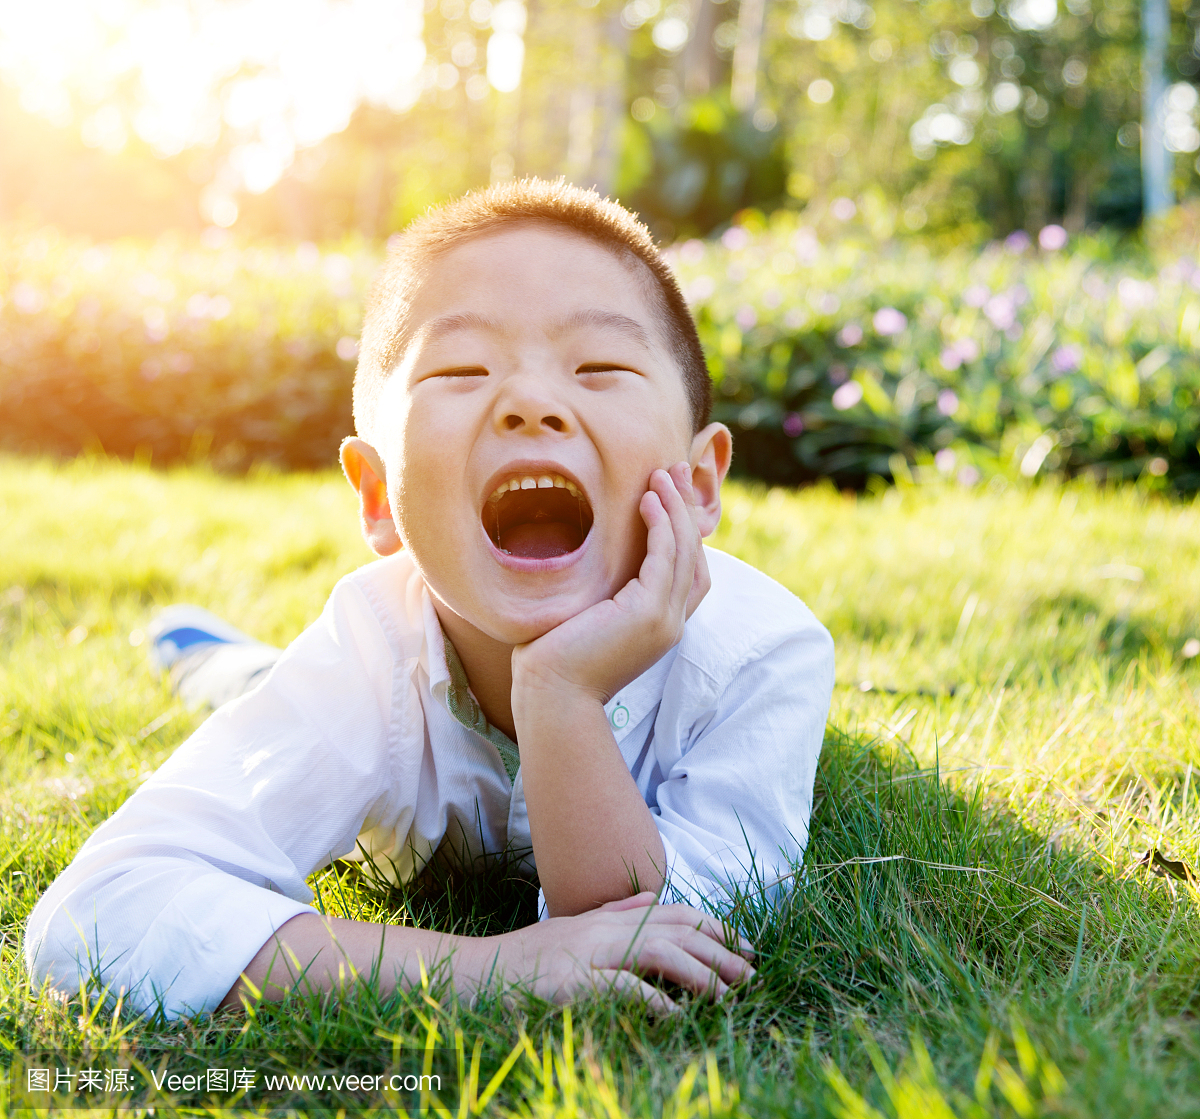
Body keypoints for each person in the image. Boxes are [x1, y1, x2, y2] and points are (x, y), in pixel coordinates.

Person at [25, 178, 834, 1019]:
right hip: (338, 687)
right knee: (259, 687)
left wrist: (562, 694)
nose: (530, 403)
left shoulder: (765, 656)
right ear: (377, 496)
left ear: (701, 483)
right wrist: (490, 970)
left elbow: (656, 949)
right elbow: (98, 919)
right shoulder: (369, 652)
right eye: (462, 368)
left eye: (598, 367)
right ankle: (223, 663)